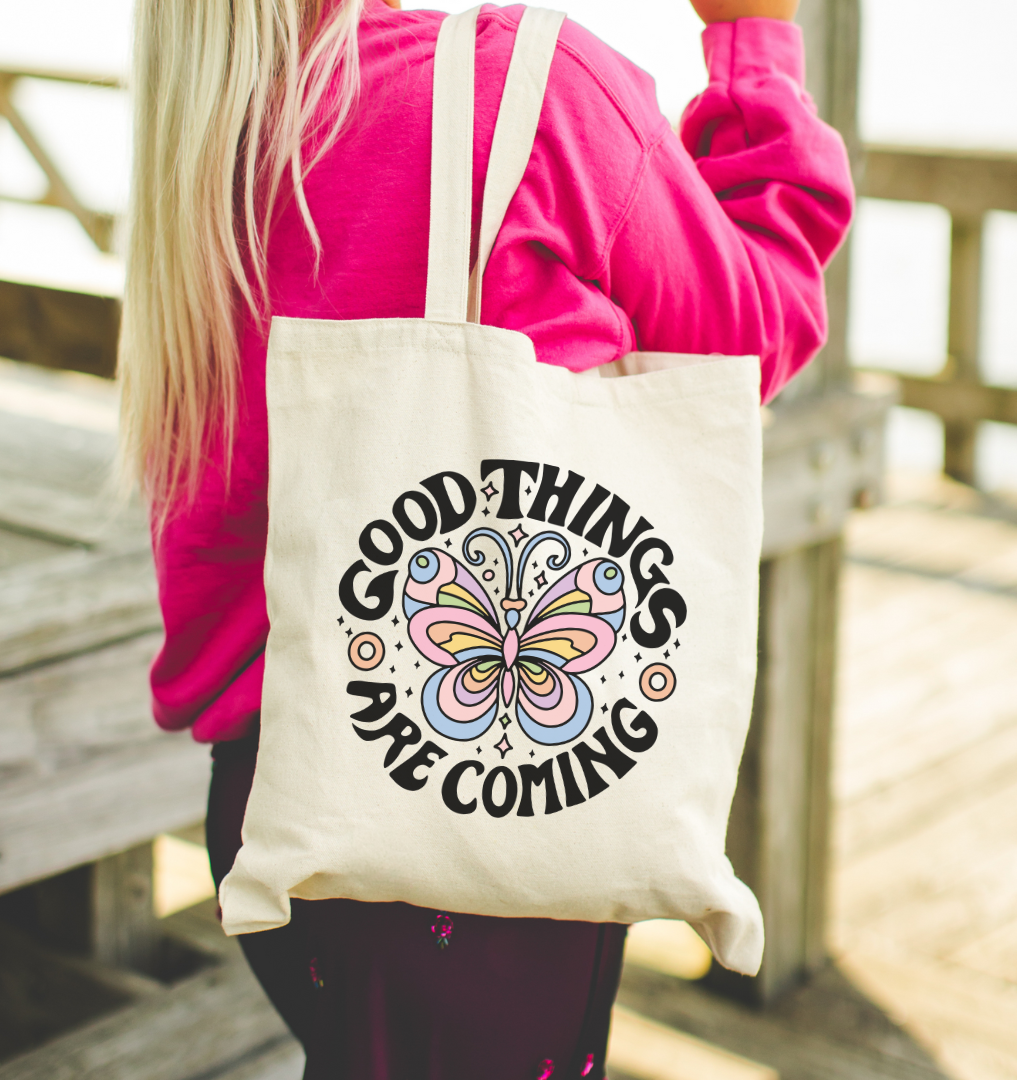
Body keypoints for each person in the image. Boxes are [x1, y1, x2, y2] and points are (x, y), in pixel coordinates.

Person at [118, 0, 852, 1074]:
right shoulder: (529, 88)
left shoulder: (215, 106)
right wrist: (752, 38)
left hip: (274, 804)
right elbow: (755, 327)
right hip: (479, 822)